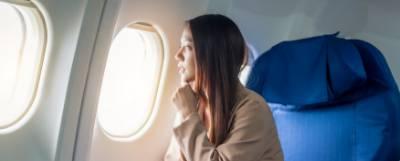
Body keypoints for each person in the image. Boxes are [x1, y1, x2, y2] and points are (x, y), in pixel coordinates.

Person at [164, 14, 283, 161]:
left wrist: (188, 114)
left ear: (211, 56)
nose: (178, 55)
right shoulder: (194, 101)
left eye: (187, 47)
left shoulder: (254, 109)